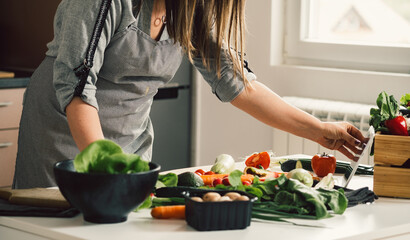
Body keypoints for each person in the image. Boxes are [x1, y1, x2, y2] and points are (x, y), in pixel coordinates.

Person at [13, 0, 365, 189]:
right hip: (63, 135)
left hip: (129, 143)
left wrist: (320, 130)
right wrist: (102, 163)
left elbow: (238, 83)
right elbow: (76, 83)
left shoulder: (189, 8)